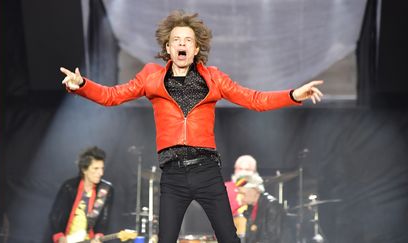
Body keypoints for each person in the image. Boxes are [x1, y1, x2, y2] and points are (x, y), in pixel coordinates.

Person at [60, 10, 323, 243]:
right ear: (168, 47)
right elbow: (112, 95)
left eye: (188, 40)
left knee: (229, 238)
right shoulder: (151, 77)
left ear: (196, 48)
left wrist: (293, 95)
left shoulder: (214, 78)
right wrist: (83, 86)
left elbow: (255, 100)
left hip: (207, 171)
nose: (182, 44)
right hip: (173, 175)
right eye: (176, 40)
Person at [49, 146, 113, 243]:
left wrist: (98, 236)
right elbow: (55, 214)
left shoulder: (106, 190)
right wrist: (60, 237)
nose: (101, 173)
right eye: (96, 168)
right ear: (84, 169)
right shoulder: (69, 186)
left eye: (102, 168)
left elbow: (104, 219)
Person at [225, 155, 285, 243]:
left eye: (243, 193)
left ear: (255, 190)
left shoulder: (272, 206)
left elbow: (273, 239)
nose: (240, 197)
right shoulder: (251, 208)